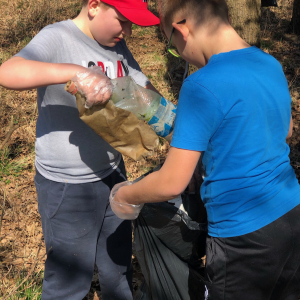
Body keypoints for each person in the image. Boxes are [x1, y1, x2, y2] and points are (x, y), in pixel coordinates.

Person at [110, 0, 300, 299]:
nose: (178, 54)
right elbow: (285, 130)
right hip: (291, 213)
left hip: (242, 236)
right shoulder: (268, 62)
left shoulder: (201, 85)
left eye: (172, 47)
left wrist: (124, 195)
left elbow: (172, 182)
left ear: (181, 29)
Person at [0, 0, 160, 299]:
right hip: (66, 185)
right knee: (69, 281)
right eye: (122, 20)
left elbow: (141, 86)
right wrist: (75, 71)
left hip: (113, 174)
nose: (127, 31)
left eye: (131, 25)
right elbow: (8, 72)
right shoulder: (58, 37)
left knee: (118, 271)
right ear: (95, 5)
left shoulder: (114, 44)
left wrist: (172, 118)